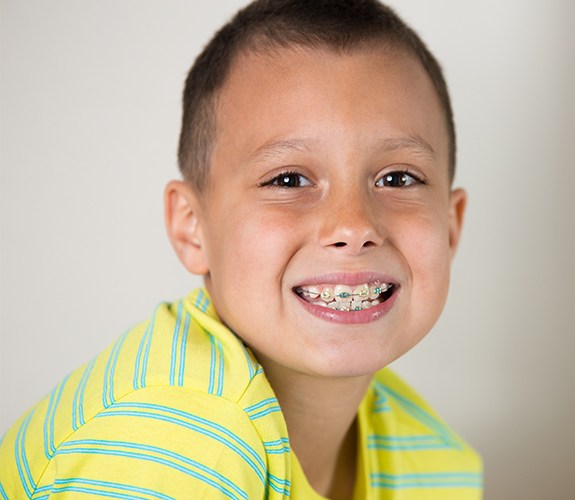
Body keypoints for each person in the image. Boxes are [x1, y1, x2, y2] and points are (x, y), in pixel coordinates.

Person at [0, 0, 482, 498]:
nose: (353, 226)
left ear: (450, 227)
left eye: (397, 178)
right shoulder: (172, 443)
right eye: (289, 178)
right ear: (193, 229)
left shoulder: (437, 459)